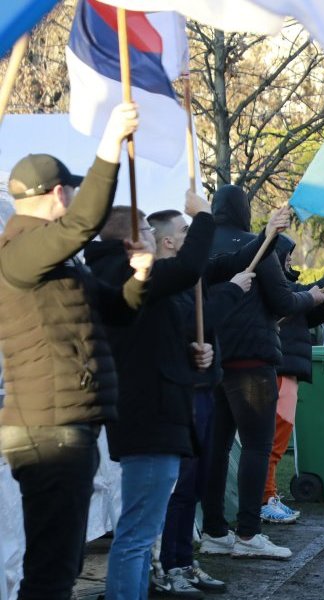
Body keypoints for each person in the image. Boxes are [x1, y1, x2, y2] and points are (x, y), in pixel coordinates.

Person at [0, 104, 148, 599]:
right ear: (59, 193)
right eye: (72, 192)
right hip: (50, 429)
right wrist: (110, 145)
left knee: (58, 565)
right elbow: (83, 223)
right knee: (52, 571)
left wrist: (140, 276)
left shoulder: (59, 263)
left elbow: (118, 311)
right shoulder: (20, 252)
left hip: (63, 425)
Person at [83, 194, 214, 600]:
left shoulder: (123, 275)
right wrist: (204, 217)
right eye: (146, 229)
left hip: (154, 413)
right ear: (130, 239)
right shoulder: (124, 273)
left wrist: (191, 354)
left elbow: (149, 340)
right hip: (150, 418)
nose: (155, 239)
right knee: (138, 533)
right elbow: (189, 268)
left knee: (142, 531)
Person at [146, 206, 272, 596]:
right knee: (180, 485)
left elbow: (234, 260)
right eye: (186, 231)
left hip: (201, 388)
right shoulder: (162, 280)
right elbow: (187, 322)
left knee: (196, 482)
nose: (195, 237)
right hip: (177, 397)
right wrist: (232, 290)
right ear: (169, 241)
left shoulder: (194, 271)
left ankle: (185, 560)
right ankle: (169, 564)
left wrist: (268, 233)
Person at [199, 186, 323, 560]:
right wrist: (313, 298)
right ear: (244, 210)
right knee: (256, 446)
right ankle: (249, 533)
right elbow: (282, 301)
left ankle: (214, 531)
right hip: (252, 360)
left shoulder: (200, 246)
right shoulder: (257, 245)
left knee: (217, 448)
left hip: (212, 359)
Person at [262, 242, 324, 523]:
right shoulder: (274, 288)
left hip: (288, 371)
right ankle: (264, 498)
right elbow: (301, 296)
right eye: (287, 256)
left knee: (278, 437)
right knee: (273, 439)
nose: (290, 261)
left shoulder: (283, 288)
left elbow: (302, 316)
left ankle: (268, 495)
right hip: (280, 369)